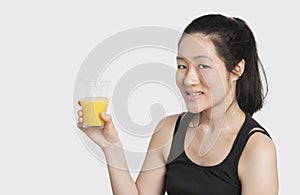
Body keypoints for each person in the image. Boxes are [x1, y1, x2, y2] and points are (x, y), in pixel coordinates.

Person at [77, 14, 279, 195]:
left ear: (236, 70)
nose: (189, 79)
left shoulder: (256, 149)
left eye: (203, 66)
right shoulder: (169, 130)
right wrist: (111, 147)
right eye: (182, 66)